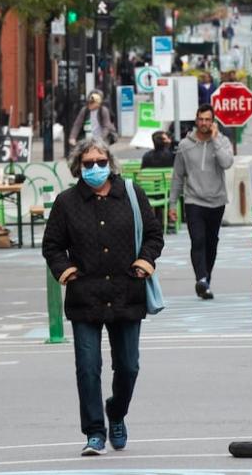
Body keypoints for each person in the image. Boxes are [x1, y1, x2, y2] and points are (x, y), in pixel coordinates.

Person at [42, 138, 163, 456]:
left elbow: (153, 233)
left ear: (110, 163)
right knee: (87, 367)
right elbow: (52, 245)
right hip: (85, 296)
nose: (95, 168)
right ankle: (94, 432)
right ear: (77, 168)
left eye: (100, 161)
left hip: (127, 292)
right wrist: (65, 270)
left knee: (129, 367)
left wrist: (145, 260)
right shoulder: (66, 202)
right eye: (88, 163)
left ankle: (117, 412)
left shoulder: (132, 194)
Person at [167, 104, 235, 299]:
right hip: (193, 200)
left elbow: (227, 163)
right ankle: (201, 279)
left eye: (207, 120)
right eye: (201, 119)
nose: (204, 123)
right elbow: (178, 176)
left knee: (211, 243)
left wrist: (214, 140)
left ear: (212, 122)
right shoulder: (185, 145)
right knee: (198, 240)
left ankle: (206, 279)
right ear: (196, 121)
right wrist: (173, 204)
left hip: (216, 200)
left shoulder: (222, 141)